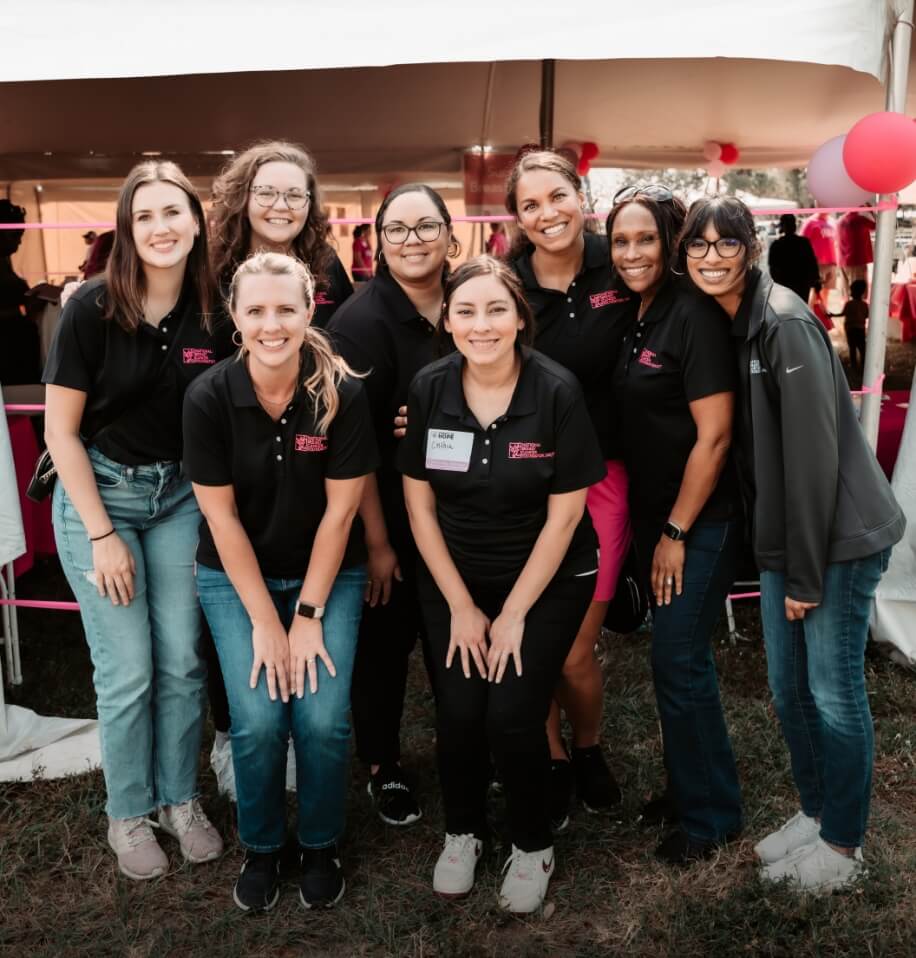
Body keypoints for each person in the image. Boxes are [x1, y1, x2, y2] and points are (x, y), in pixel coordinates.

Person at [681, 195, 905, 893]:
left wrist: (805, 576)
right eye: (698, 245)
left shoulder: (782, 321)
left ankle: (844, 846)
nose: (711, 256)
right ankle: (817, 811)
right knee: (788, 689)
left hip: (835, 541)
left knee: (833, 692)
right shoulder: (737, 322)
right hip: (792, 544)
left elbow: (813, 462)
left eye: (726, 243)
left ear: (750, 249)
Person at [399, 255, 606, 911]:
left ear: (520, 317)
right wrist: (460, 605)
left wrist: (514, 612)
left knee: (513, 713)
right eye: (466, 311)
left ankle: (530, 841)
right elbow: (419, 506)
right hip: (454, 574)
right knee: (460, 712)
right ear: (448, 321)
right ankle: (463, 831)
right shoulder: (430, 388)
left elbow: (567, 513)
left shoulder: (555, 391)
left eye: (496, 309)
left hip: (547, 575)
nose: (481, 325)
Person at [42, 161, 225, 880]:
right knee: (128, 672)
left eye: (173, 212)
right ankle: (130, 811)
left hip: (179, 498)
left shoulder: (217, 308)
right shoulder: (90, 306)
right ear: (126, 228)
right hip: (101, 498)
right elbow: (61, 434)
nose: (160, 227)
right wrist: (101, 536)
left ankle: (181, 800)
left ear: (197, 222)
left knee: (182, 661)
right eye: (143, 215)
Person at [183, 251, 378, 911]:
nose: (272, 323)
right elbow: (220, 517)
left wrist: (308, 615)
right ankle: (263, 847)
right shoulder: (208, 395)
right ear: (235, 318)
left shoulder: (342, 392)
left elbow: (341, 512)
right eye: (256, 310)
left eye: (286, 308)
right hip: (236, 579)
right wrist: (268, 622)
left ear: (309, 310)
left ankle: (320, 843)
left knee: (322, 718)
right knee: (260, 719)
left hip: (330, 572)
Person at [206, 140, 355, 797]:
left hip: (309, 458)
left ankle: (300, 740)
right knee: (227, 607)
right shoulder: (210, 272)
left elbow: (348, 367)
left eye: (296, 193)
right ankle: (231, 734)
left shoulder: (328, 271)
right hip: (224, 455)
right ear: (244, 195)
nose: (280, 204)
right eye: (267, 190)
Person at [607, 186, 744, 864]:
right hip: (657, 519)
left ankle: (711, 818)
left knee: (680, 663)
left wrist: (677, 532)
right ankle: (692, 789)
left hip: (700, 525)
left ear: (669, 241)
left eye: (646, 239)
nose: (632, 253)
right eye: (621, 241)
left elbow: (714, 437)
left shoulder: (693, 315)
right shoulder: (640, 312)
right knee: (673, 665)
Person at [504, 149, 635, 829]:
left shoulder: (622, 260)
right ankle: (551, 756)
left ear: (579, 195)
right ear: (518, 219)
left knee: (576, 647)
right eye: (530, 205)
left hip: (605, 477)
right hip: (527, 479)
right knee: (532, 639)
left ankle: (588, 748)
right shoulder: (508, 285)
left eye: (556, 197)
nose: (546, 213)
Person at [327, 184, 460, 826]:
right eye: (398, 230)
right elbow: (354, 450)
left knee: (452, 641)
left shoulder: (470, 303)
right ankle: (383, 767)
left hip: (462, 513)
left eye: (426, 227)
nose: (413, 241)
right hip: (384, 515)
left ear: (449, 235)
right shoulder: (359, 324)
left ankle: (466, 751)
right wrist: (377, 544)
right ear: (378, 242)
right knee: (383, 645)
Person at [767, 214, 820, 305]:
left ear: (782, 227)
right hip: (802, 284)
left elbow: (772, 268)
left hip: (784, 284)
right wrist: (815, 281)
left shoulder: (777, 245)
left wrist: (776, 284)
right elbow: (812, 263)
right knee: (802, 307)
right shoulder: (804, 242)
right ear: (795, 226)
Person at [831, 278, 869, 379]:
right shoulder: (864, 305)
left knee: (852, 348)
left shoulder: (849, 304)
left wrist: (831, 315)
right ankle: (864, 367)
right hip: (860, 329)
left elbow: (843, 314)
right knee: (862, 349)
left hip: (851, 330)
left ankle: (854, 367)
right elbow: (866, 316)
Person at [800, 211, 839, 307]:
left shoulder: (832, 222)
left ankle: (823, 314)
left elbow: (836, 241)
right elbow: (802, 243)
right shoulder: (810, 222)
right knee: (815, 291)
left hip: (831, 262)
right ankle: (811, 315)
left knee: (826, 292)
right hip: (817, 264)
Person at [837, 208, 874, 292]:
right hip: (857, 261)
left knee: (846, 292)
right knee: (859, 293)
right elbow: (878, 225)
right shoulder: (859, 219)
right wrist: (870, 210)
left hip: (843, 261)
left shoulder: (840, 220)